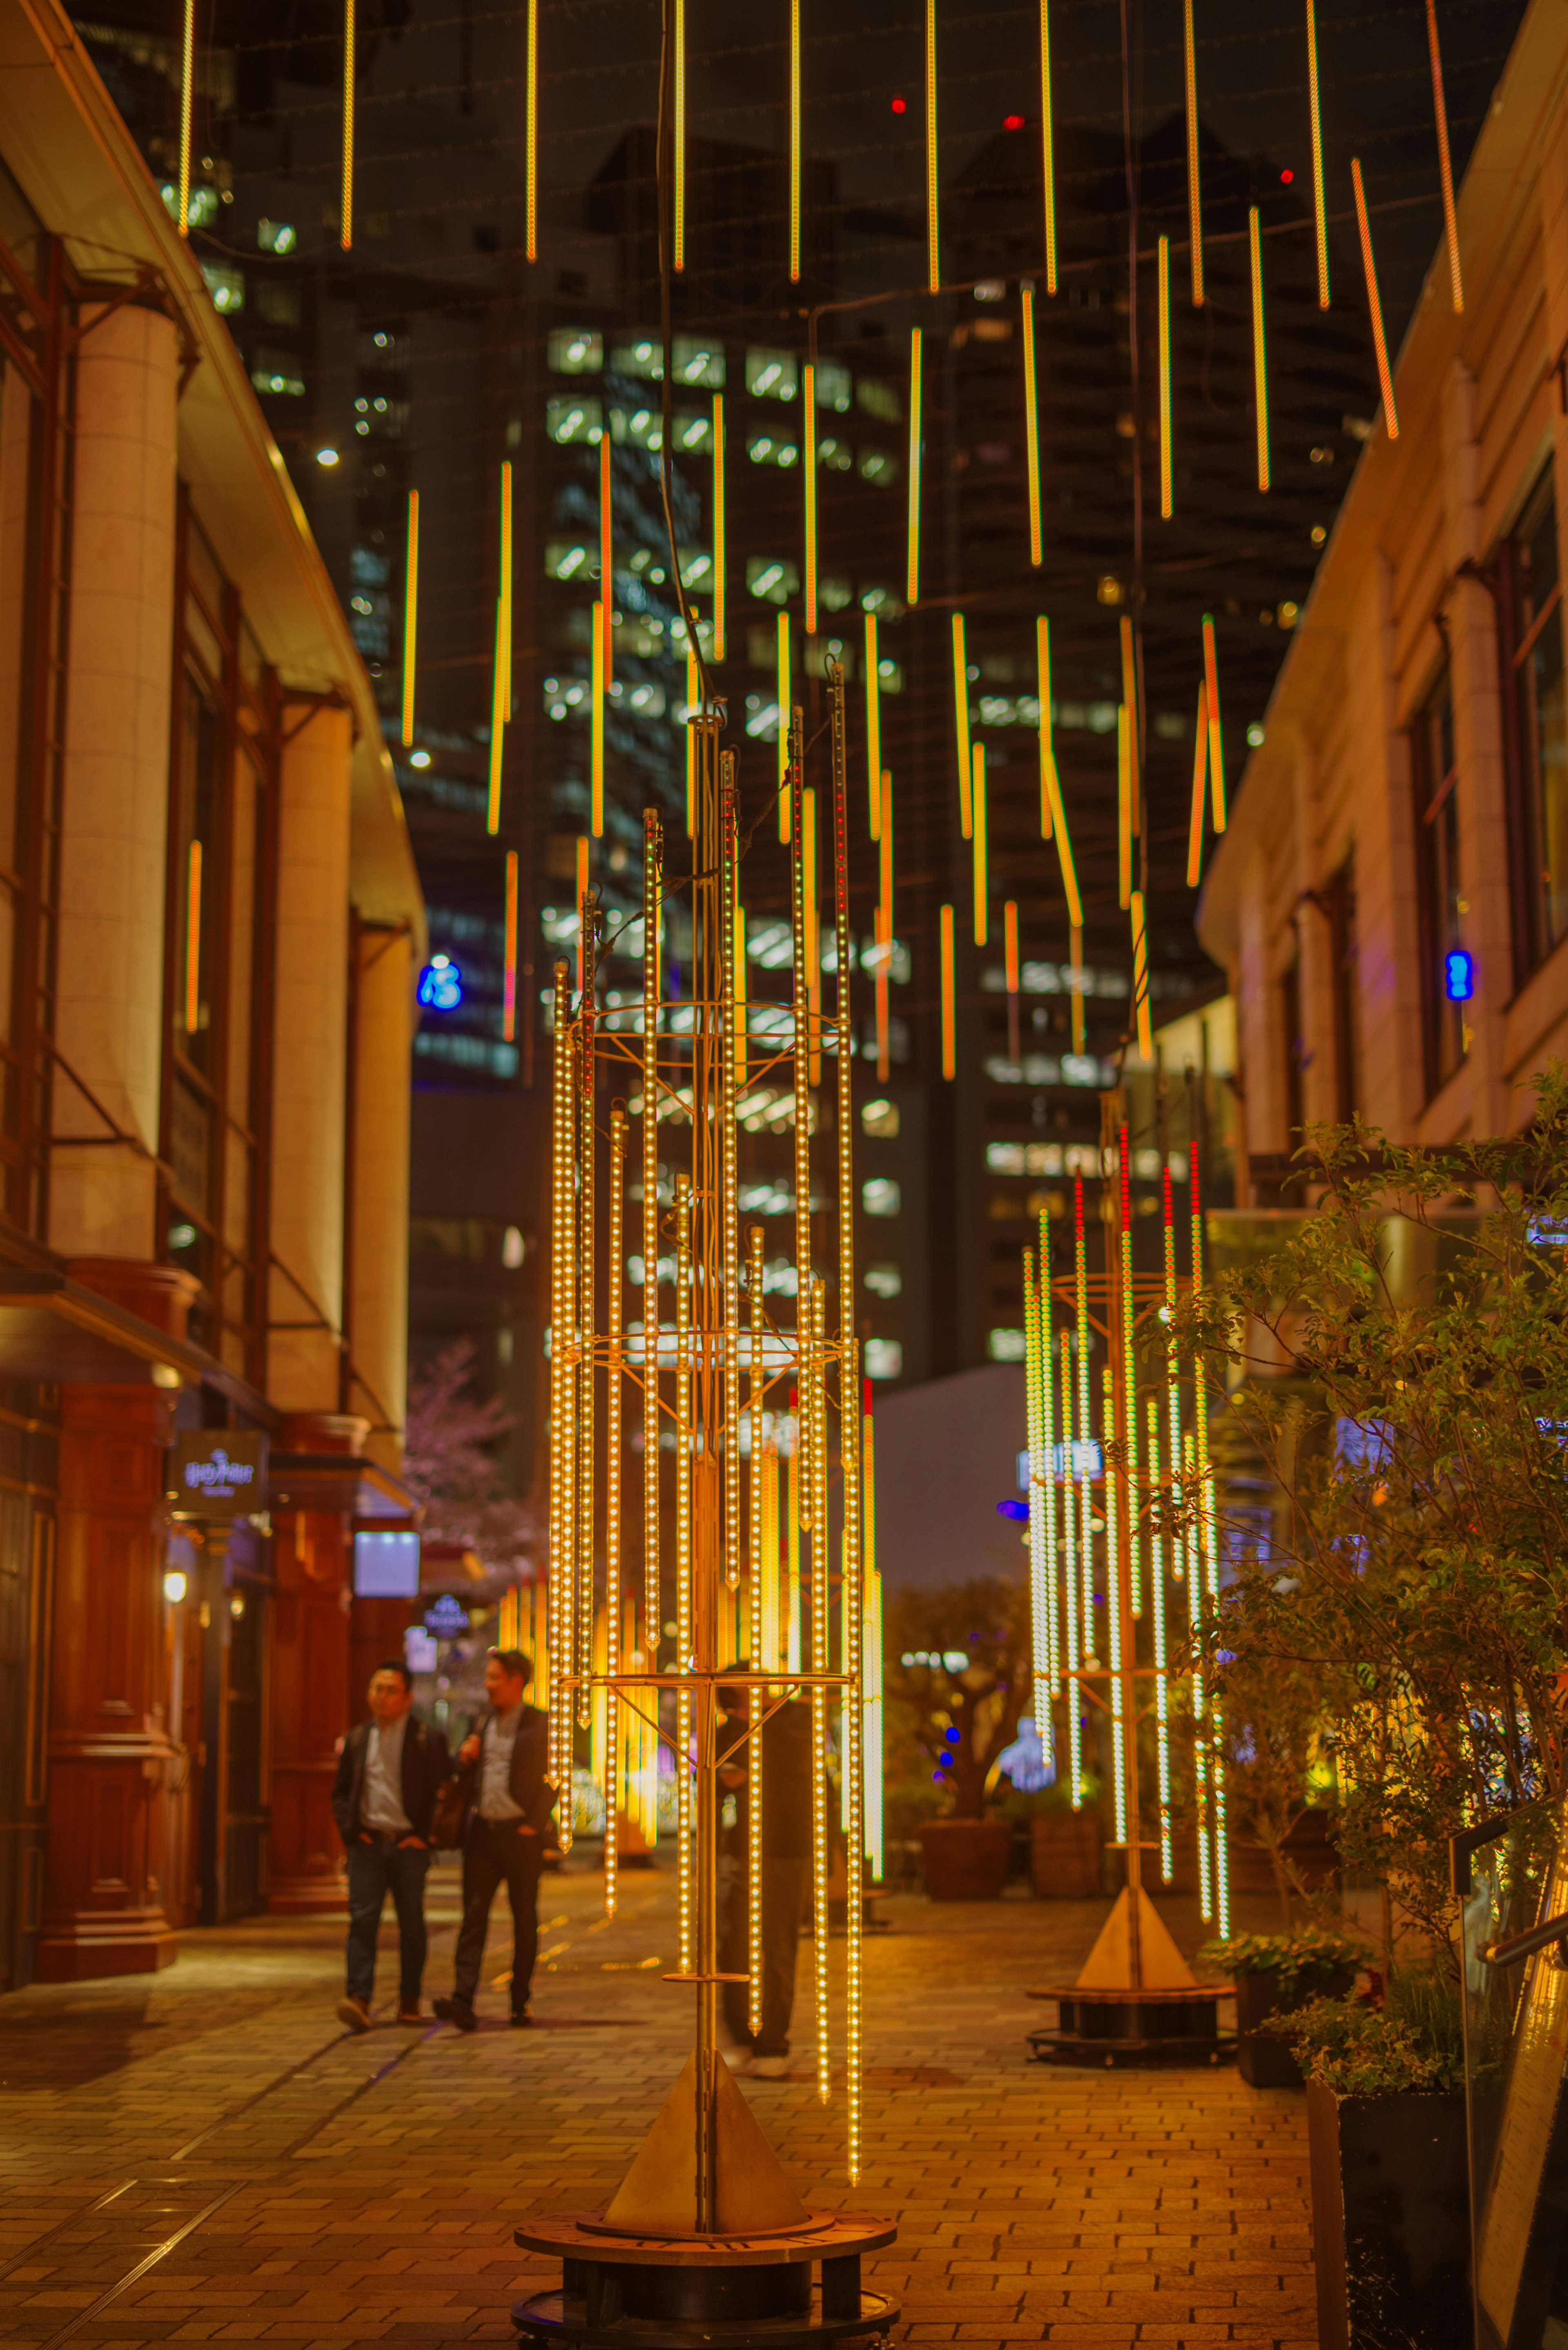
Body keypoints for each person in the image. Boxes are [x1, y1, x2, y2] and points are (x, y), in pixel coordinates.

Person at [434, 1647, 553, 2033]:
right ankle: (462, 2000)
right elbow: (460, 1771)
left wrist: (534, 1825)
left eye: (494, 1677)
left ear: (516, 1681)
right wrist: (464, 1756)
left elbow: (556, 1779)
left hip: (520, 1836)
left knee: (524, 1920)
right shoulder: (481, 1720)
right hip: (483, 1834)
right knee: (473, 1918)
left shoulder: (542, 1724)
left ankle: (520, 2002)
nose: (487, 1684)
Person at [330, 1659, 450, 2031]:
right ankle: (359, 1998)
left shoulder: (427, 1739)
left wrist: (424, 1835)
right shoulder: (357, 1738)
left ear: (408, 1697)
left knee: (412, 1924)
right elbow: (341, 1793)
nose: (382, 1697)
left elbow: (442, 1793)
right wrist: (352, 1835)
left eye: (391, 1690)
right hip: (367, 1844)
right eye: (376, 1689)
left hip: (408, 1845)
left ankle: (410, 1998)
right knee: (362, 1922)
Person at [715, 1670, 813, 2078]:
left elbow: (799, 1773)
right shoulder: (730, 1731)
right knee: (734, 1944)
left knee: (775, 1948)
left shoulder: (793, 1720)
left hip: (786, 1850)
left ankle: (772, 2042)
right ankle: (743, 2036)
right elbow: (714, 1782)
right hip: (742, 1849)